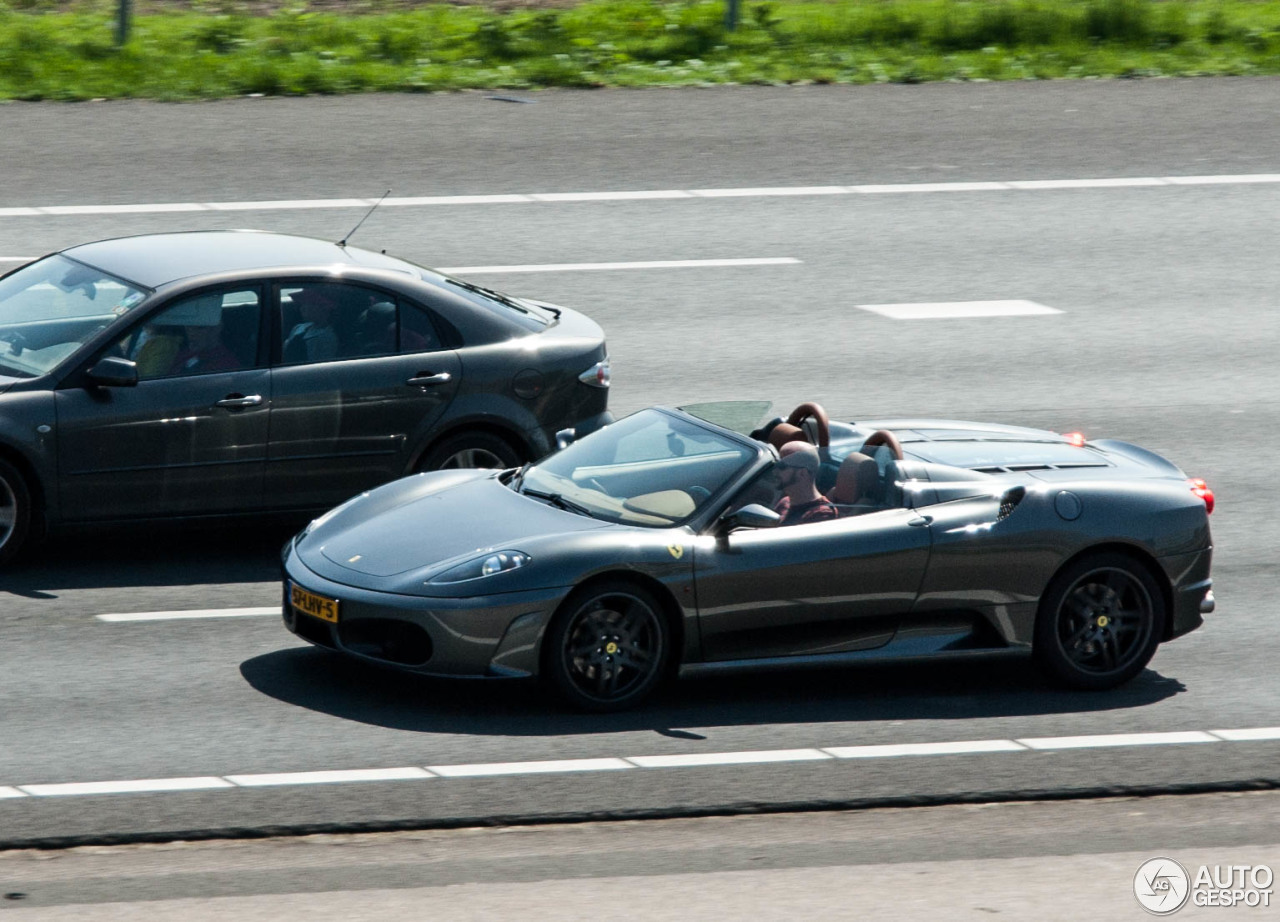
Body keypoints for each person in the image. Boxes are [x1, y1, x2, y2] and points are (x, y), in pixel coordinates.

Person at [773, 441, 837, 525]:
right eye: (775, 465)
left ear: (802, 473)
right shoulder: (785, 502)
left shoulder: (822, 514)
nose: (775, 471)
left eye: (782, 466)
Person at [283, 286, 340, 362]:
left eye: (308, 303)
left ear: (323, 307)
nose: (302, 307)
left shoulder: (327, 337)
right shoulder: (298, 327)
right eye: (302, 303)